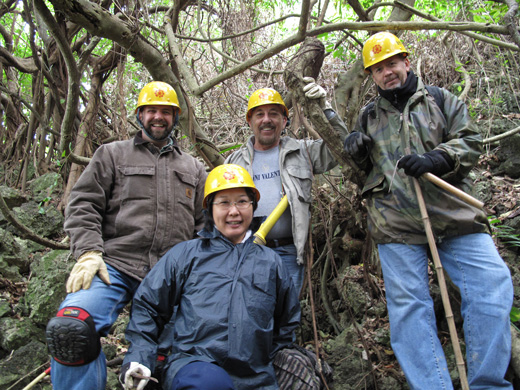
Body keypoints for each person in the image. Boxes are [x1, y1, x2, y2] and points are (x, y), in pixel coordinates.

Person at [342, 31, 513, 389]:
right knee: (408, 313)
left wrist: (438, 158)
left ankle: (487, 384)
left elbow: (471, 140)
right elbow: (361, 172)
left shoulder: (440, 99)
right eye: (378, 69)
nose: (387, 72)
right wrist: (355, 150)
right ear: (371, 76)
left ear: (406, 61)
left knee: (491, 289)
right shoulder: (368, 117)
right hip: (396, 226)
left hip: (456, 217)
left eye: (392, 63)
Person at [45, 81, 207, 390]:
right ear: (140, 115)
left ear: (175, 117)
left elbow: (204, 226)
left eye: (166, 111)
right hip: (115, 266)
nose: (158, 117)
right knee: (70, 327)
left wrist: (201, 270)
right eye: (151, 110)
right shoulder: (112, 155)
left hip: (171, 276)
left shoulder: (194, 168)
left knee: (165, 360)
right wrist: (89, 251)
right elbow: (83, 204)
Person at [120, 164, 301, 390]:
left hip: (256, 377)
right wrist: (139, 357)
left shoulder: (272, 263)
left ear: (253, 206)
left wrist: (282, 358)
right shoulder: (186, 255)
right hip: (195, 368)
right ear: (210, 210)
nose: (234, 211)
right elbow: (148, 306)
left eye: (242, 202)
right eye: (224, 202)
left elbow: (286, 324)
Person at [225, 87, 348, 293]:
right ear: (249, 121)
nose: (267, 120)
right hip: (247, 253)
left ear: (284, 120)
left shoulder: (303, 152)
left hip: (290, 253)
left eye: (274, 113)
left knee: (287, 318)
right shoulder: (233, 163)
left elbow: (342, 147)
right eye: (259, 114)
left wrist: (324, 108)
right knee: (251, 314)